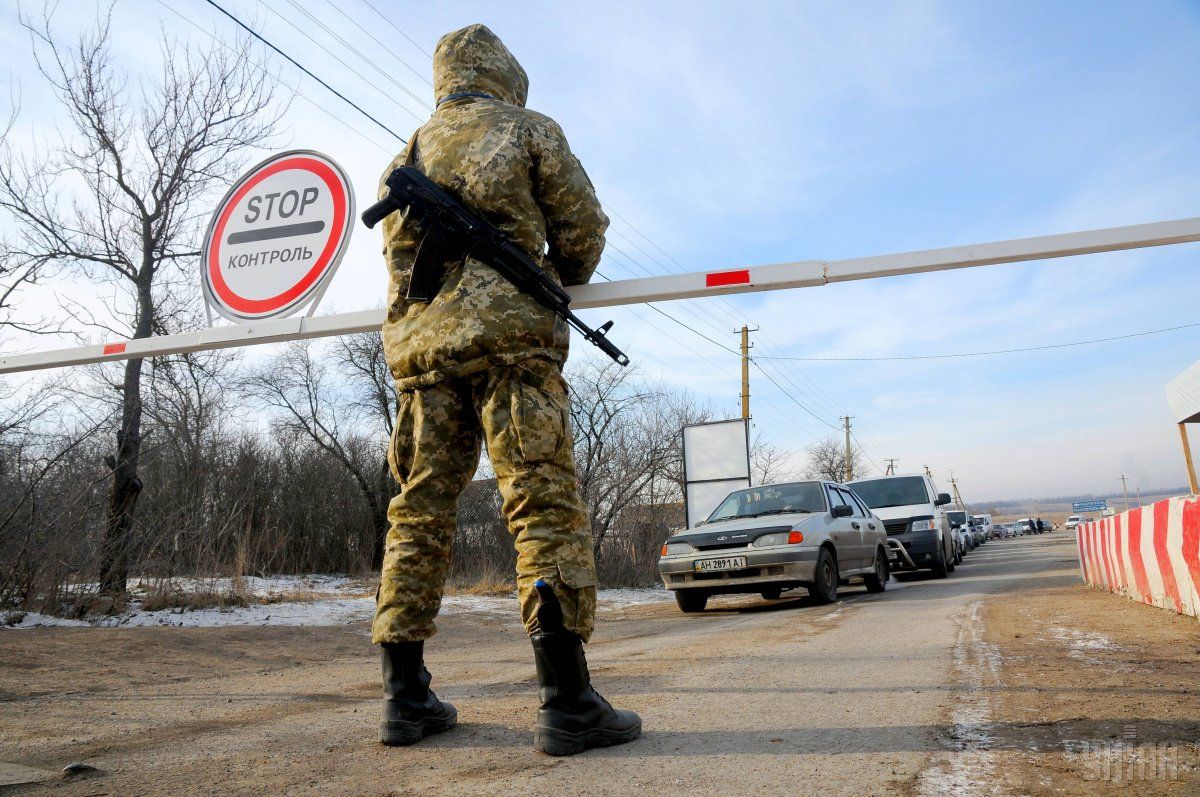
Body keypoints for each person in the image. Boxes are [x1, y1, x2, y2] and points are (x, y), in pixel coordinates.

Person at [370, 24, 640, 757]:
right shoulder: (527, 130)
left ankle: (404, 696)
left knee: (416, 512)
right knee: (541, 502)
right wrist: (546, 272)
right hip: (513, 350)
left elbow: (400, 265)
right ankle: (567, 699)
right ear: (504, 74)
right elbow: (581, 235)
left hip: (424, 361)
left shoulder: (408, 153)